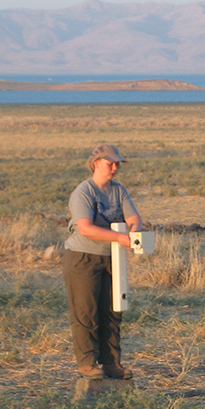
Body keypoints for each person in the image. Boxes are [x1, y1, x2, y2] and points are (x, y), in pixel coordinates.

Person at [62, 144, 143, 380]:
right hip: (83, 257)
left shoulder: (119, 191)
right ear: (96, 163)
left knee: (113, 309)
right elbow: (86, 229)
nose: (115, 168)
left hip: (112, 257)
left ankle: (111, 363)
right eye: (110, 163)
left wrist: (135, 232)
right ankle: (87, 363)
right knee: (86, 311)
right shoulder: (83, 192)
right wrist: (120, 237)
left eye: (118, 163)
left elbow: (134, 218)